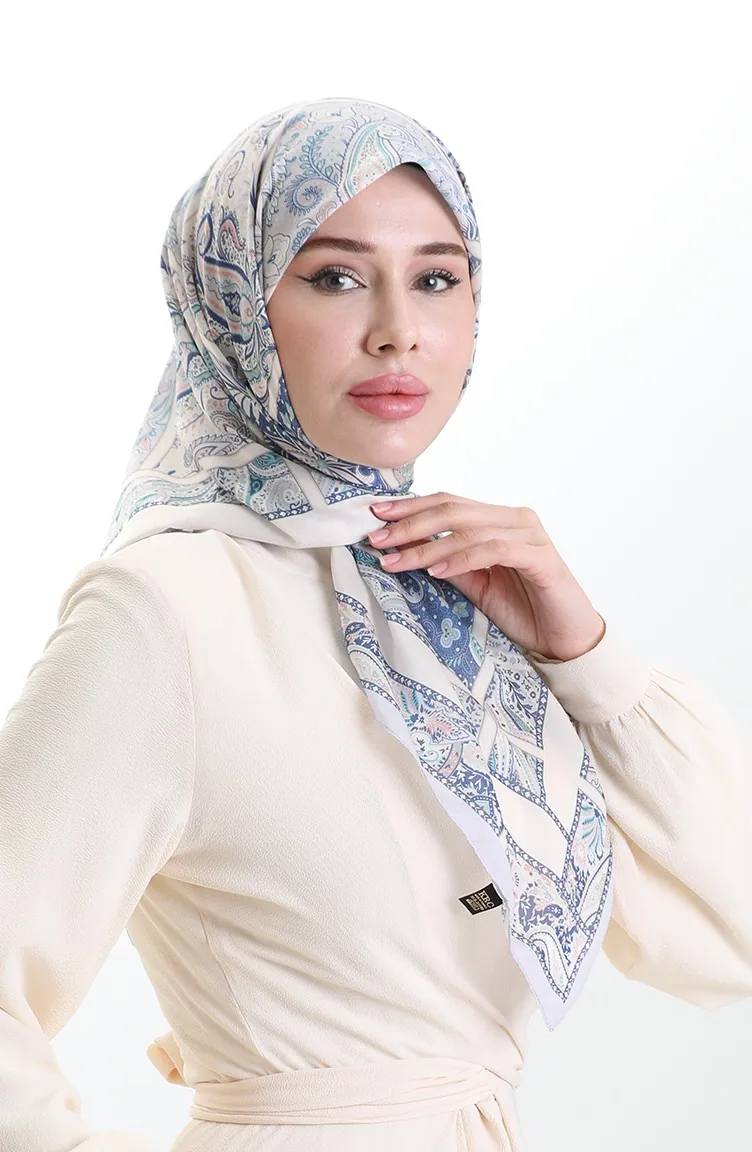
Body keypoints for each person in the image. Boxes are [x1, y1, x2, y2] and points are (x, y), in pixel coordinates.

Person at [0, 96, 749, 1152]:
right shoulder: (166, 608)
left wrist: (584, 653)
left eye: (436, 278)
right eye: (335, 277)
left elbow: (728, 929)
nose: (399, 328)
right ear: (235, 305)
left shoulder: (452, 605)